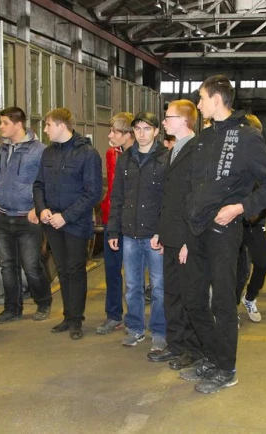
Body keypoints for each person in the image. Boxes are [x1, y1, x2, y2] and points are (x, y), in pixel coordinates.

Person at [179, 75, 266, 394]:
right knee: (193, 298)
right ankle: (212, 357)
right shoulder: (205, 137)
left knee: (223, 302)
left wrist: (240, 207)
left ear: (216, 99)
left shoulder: (247, 137)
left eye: (201, 98)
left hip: (224, 231)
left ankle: (227, 369)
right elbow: (194, 187)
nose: (198, 104)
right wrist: (186, 233)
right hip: (196, 230)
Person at [33, 108, 102, 340]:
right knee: (62, 270)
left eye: (48, 125)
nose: (45, 129)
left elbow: (93, 193)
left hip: (75, 223)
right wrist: (42, 209)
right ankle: (67, 315)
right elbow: (39, 184)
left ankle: (76, 320)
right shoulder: (48, 153)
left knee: (75, 270)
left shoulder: (87, 154)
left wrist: (66, 216)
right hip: (52, 222)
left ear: (62, 126)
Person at [108, 111, 170, 351]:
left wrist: (163, 232)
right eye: (138, 129)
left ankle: (159, 331)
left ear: (156, 131)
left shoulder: (166, 159)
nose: (142, 134)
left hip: (154, 235)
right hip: (130, 234)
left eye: (147, 129)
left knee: (159, 287)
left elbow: (169, 200)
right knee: (132, 286)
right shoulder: (125, 159)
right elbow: (117, 197)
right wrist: (113, 231)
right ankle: (135, 328)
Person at [148, 99, 203, 368]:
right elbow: (169, 198)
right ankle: (176, 345)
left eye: (167, 117)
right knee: (172, 294)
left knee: (189, 297)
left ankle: (193, 349)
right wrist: (161, 232)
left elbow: (195, 200)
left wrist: (188, 241)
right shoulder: (174, 150)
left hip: (186, 238)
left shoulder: (197, 150)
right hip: (171, 236)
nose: (163, 121)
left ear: (183, 120)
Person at [0, 107, 51, 324]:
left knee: (32, 266)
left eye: (5, 122)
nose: (1, 127)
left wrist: (37, 208)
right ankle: (12, 309)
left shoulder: (40, 151)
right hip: (3, 217)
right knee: (7, 267)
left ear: (18, 124)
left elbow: (46, 182)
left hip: (28, 218)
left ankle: (43, 302)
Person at [236, 113, 266, 323]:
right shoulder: (232, 158)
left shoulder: (262, 157)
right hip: (234, 222)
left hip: (255, 223)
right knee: (236, 269)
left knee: (262, 263)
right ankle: (230, 309)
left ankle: (250, 297)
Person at [97, 112, 134, 335]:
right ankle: (113, 315)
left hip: (134, 224)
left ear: (128, 134)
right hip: (112, 221)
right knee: (112, 271)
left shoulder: (142, 156)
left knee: (134, 275)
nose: (110, 135)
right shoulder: (112, 154)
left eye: (114, 131)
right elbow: (113, 189)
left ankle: (135, 318)